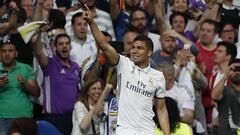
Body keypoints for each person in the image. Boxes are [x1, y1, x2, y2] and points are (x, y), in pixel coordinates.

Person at [83, 5, 170, 135]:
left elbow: (161, 109)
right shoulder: (123, 64)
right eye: (133, 47)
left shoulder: (158, 76)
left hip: (148, 131)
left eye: (140, 48)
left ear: (149, 53)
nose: (134, 51)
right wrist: (91, 22)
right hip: (125, 131)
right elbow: (104, 44)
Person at [31, 33, 81, 135]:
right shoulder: (50, 64)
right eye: (61, 44)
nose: (64, 46)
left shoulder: (75, 66)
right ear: (55, 47)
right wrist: (38, 36)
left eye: (67, 43)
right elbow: (39, 52)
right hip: (54, 118)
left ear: (70, 47)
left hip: (73, 117)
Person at [0, 40, 40, 135]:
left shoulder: (26, 68)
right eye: (4, 51)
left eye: (10, 50)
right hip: (2, 118)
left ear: (16, 53)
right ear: (0, 54)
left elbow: (37, 93)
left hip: (24, 117)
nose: (7, 54)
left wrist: (24, 83)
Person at [211, 59, 240, 135]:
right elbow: (214, 96)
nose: (237, 72)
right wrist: (225, 76)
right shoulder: (224, 90)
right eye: (233, 69)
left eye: (239, 69)